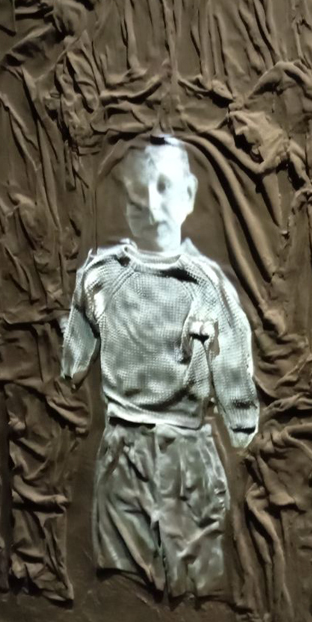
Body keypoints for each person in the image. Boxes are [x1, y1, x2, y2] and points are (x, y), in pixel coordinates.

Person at [61, 136, 259, 597]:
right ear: (124, 200)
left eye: (165, 187)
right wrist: (70, 367)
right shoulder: (101, 275)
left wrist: (243, 428)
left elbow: (234, 371)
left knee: (200, 582)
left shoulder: (207, 285)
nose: (152, 206)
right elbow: (72, 361)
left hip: (188, 456)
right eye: (138, 192)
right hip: (122, 453)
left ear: (189, 194)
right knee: (123, 579)